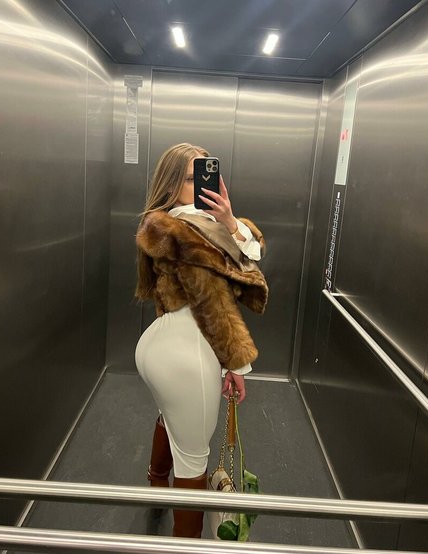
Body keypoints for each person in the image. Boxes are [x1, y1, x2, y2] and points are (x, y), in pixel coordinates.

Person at [134, 143, 268, 538]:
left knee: (169, 417)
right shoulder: (191, 232)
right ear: (171, 185)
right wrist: (236, 365)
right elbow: (216, 302)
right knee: (193, 463)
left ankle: (156, 486)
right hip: (188, 355)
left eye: (207, 175)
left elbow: (252, 247)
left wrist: (228, 220)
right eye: (192, 178)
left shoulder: (165, 224)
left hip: (157, 347)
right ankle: (186, 544)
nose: (203, 185)